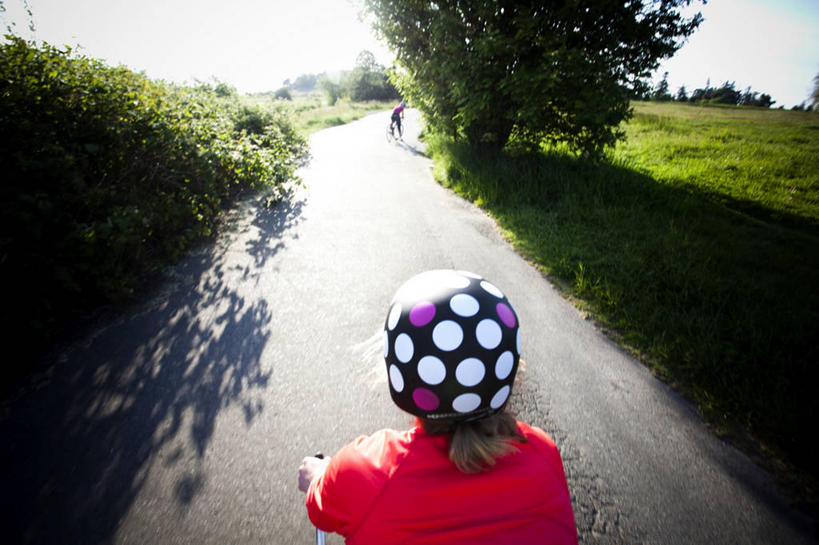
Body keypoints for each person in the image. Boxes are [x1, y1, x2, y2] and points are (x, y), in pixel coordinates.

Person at [298, 270, 577, 544]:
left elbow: (320, 513)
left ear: (401, 372)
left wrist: (320, 475)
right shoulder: (543, 452)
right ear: (508, 368)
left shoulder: (365, 471)